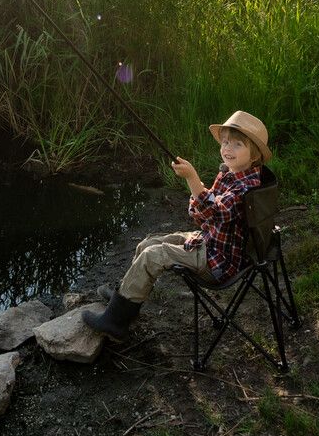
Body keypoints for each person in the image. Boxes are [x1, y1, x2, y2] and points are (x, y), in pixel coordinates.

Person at [82, 110, 271, 342]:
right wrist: (199, 195)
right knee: (147, 244)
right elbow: (202, 214)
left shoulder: (246, 187)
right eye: (225, 142)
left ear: (255, 155)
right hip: (210, 241)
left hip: (217, 262)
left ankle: (114, 323)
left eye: (237, 144)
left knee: (152, 256)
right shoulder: (231, 173)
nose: (227, 149)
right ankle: (124, 302)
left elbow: (215, 212)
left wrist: (193, 179)